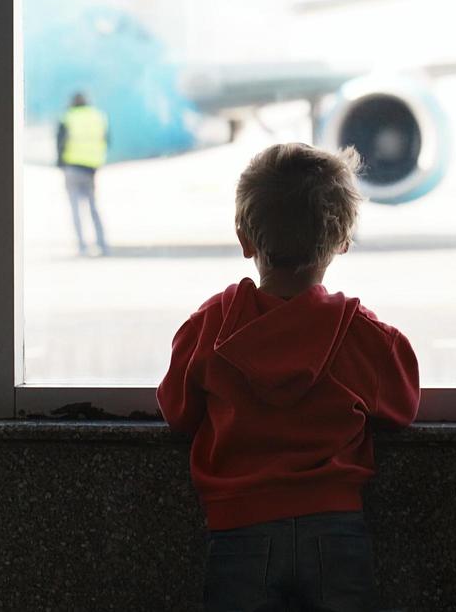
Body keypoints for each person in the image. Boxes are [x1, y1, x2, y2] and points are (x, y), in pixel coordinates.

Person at [157, 143, 419, 612]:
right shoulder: (361, 334)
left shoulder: (211, 328)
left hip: (239, 527)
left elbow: (177, 412)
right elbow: (402, 407)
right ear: (342, 240)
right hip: (335, 526)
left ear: (245, 238)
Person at [57, 92, 108, 256]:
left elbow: (60, 142)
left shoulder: (68, 117)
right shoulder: (98, 117)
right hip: (91, 168)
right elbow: (107, 139)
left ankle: (82, 246)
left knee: (75, 209)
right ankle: (102, 244)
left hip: (72, 167)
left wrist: (60, 163)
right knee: (93, 207)